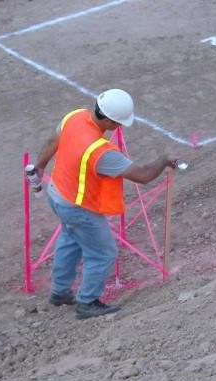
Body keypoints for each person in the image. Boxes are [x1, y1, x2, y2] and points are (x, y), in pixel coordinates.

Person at [34, 89, 178, 320]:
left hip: (57, 194)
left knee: (70, 240)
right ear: (110, 120)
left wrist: (40, 166)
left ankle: (59, 292)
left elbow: (53, 141)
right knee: (103, 253)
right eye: (119, 123)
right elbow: (142, 175)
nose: (119, 127)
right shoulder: (101, 152)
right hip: (79, 208)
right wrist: (163, 161)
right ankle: (87, 302)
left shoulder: (75, 116)